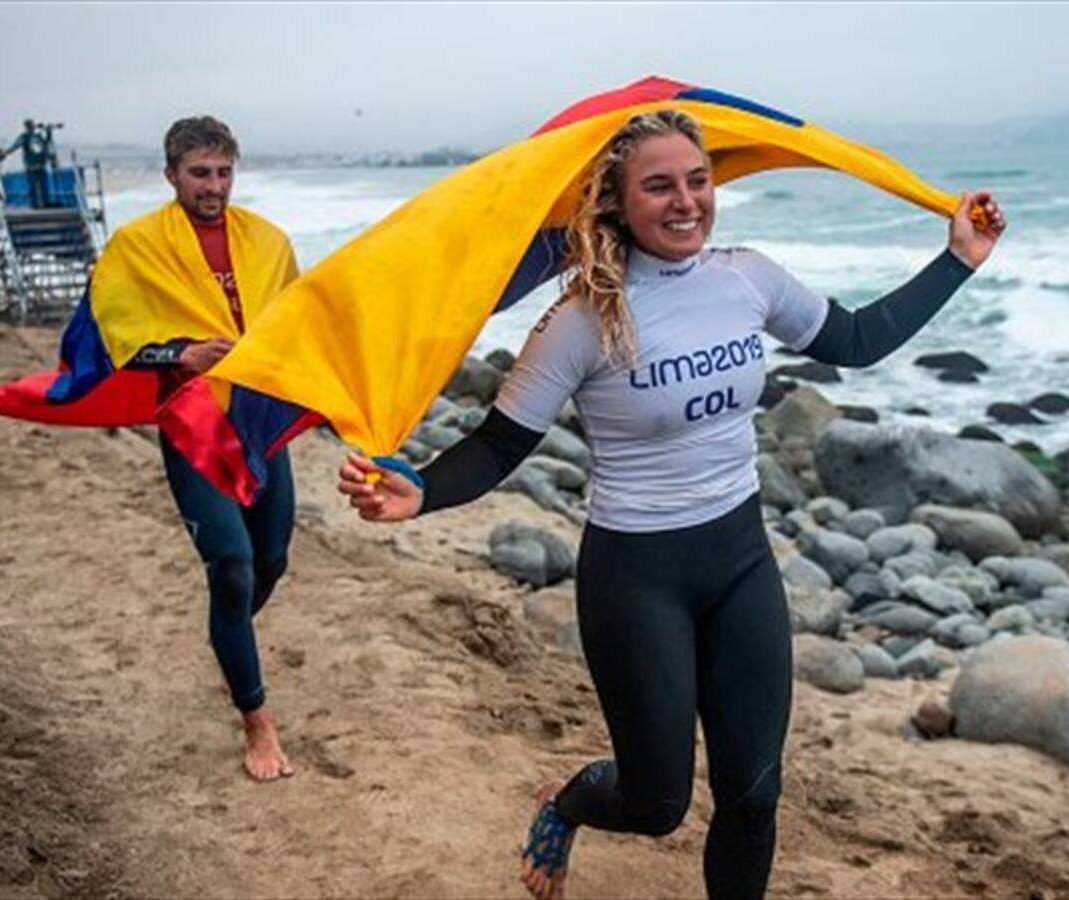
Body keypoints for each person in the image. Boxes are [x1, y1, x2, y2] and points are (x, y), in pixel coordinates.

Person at [338, 109, 1005, 898]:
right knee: (657, 804)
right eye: (659, 186)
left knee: (754, 795)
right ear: (616, 202)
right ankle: (566, 804)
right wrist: (420, 492)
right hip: (636, 576)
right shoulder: (582, 321)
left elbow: (855, 341)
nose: (687, 201)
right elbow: (497, 445)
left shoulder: (747, 277)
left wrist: (957, 260)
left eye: (698, 181)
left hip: (740, 562)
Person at [122, 116, 300, 781]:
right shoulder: (139, 247)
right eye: (200, 173)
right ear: (171, 173)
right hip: (191, 424)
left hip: (256, 420)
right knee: (231, 566)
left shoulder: (266, 243)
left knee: (270, 561)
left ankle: (231, 636)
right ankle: (257, 720)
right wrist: (182, 352)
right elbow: (115, 336)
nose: (214, 186)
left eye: (224, 172)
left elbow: (296, 323)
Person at [3, 119, 52, 208]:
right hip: (31, 166)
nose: (31, 127)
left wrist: (48, 132)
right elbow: (16, 145)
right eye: (30, 126)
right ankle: (34, 205)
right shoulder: (24, 137)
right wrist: (7, 152)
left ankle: (45, 203)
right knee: (32, 187)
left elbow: (46, 143)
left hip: (41, 165)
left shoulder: (38, 136)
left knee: (44, 187)